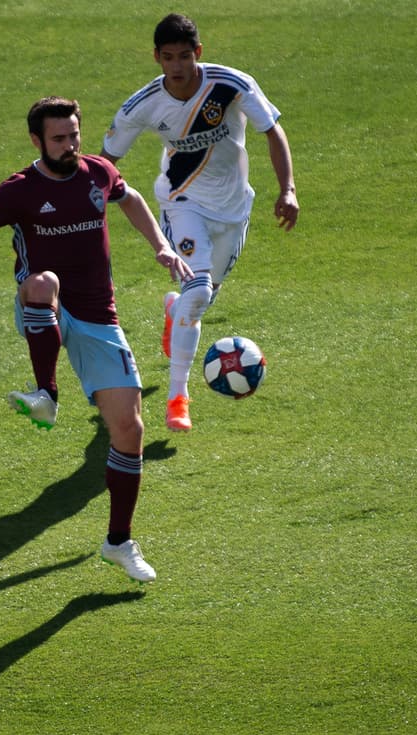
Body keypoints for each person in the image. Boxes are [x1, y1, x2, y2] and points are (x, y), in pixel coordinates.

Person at [0, 96, 193, 583]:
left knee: (129, 430)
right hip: (43, 305)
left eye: (74, 135)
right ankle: (46, 393)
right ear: (37, 141)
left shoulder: (97, 173)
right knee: (43, 281)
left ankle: (118, 543)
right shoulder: (21, 189)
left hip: (97, 316)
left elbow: (128, 199)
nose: (70, 145)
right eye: (58, 138)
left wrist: (162, 247)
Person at [101, 12, 299, 432]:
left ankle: (175, 312)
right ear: (156, 56)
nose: (177, 66)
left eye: (185, 56)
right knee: (198, 290)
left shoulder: (230, 84)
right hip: (181, 202)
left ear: (199, 53)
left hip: (234, 209)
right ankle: (178, 399)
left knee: (199, 299)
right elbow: (105, 163)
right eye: (168, 57)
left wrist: (288, 190)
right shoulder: (143, 104)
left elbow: (272, 131)